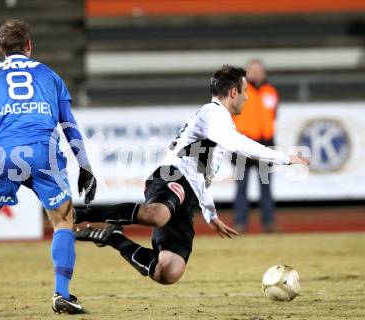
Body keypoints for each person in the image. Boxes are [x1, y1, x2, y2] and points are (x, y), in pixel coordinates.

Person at [74, 65, 309, 286]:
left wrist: (211, 214)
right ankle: (82, 213)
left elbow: (200, 177)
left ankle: (113, 237)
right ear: (234, 92)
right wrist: (284, 158)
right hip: (172, 176)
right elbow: (236, 143)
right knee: (157, 215)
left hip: (190, 195)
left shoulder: (219, 122)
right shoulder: (213, 113)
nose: (247, 97)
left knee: (169, 271)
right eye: (245, 92)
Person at [0, 19, 96, 316]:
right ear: (29, 46)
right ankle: (62, 293)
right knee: (63, 222)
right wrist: (85, 166)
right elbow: (68, 124)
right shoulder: (51, 76)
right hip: (45, 156)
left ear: (1, 49)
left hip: (5, 155)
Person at [232, 59, 279, 233]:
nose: (257, 74)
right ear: (246, 73)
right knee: (241, 188)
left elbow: (272, 115)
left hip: (265, 145)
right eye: (253, 71)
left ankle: (269, 223)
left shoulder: (271, 91)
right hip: (242, 144)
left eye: (259, 70)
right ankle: (240, 223)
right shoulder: (238, 91)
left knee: (266, 187)